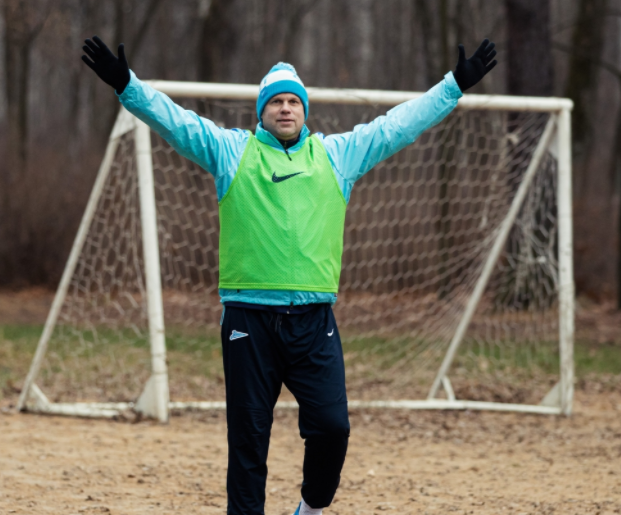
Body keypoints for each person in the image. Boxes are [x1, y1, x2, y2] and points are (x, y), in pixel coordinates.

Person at [82, 35, 496, 515]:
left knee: (333, 427)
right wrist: (126, 85)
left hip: (313, 323)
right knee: (248, 442)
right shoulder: (231, 152)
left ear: (305, 111)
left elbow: (397, 126)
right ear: (260, 111)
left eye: (293, 102)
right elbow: (176, 123)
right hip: (248, 322)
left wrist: (454, 85)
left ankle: (311, 507)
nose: (284, 109)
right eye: (275, 102)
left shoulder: (336, 156)